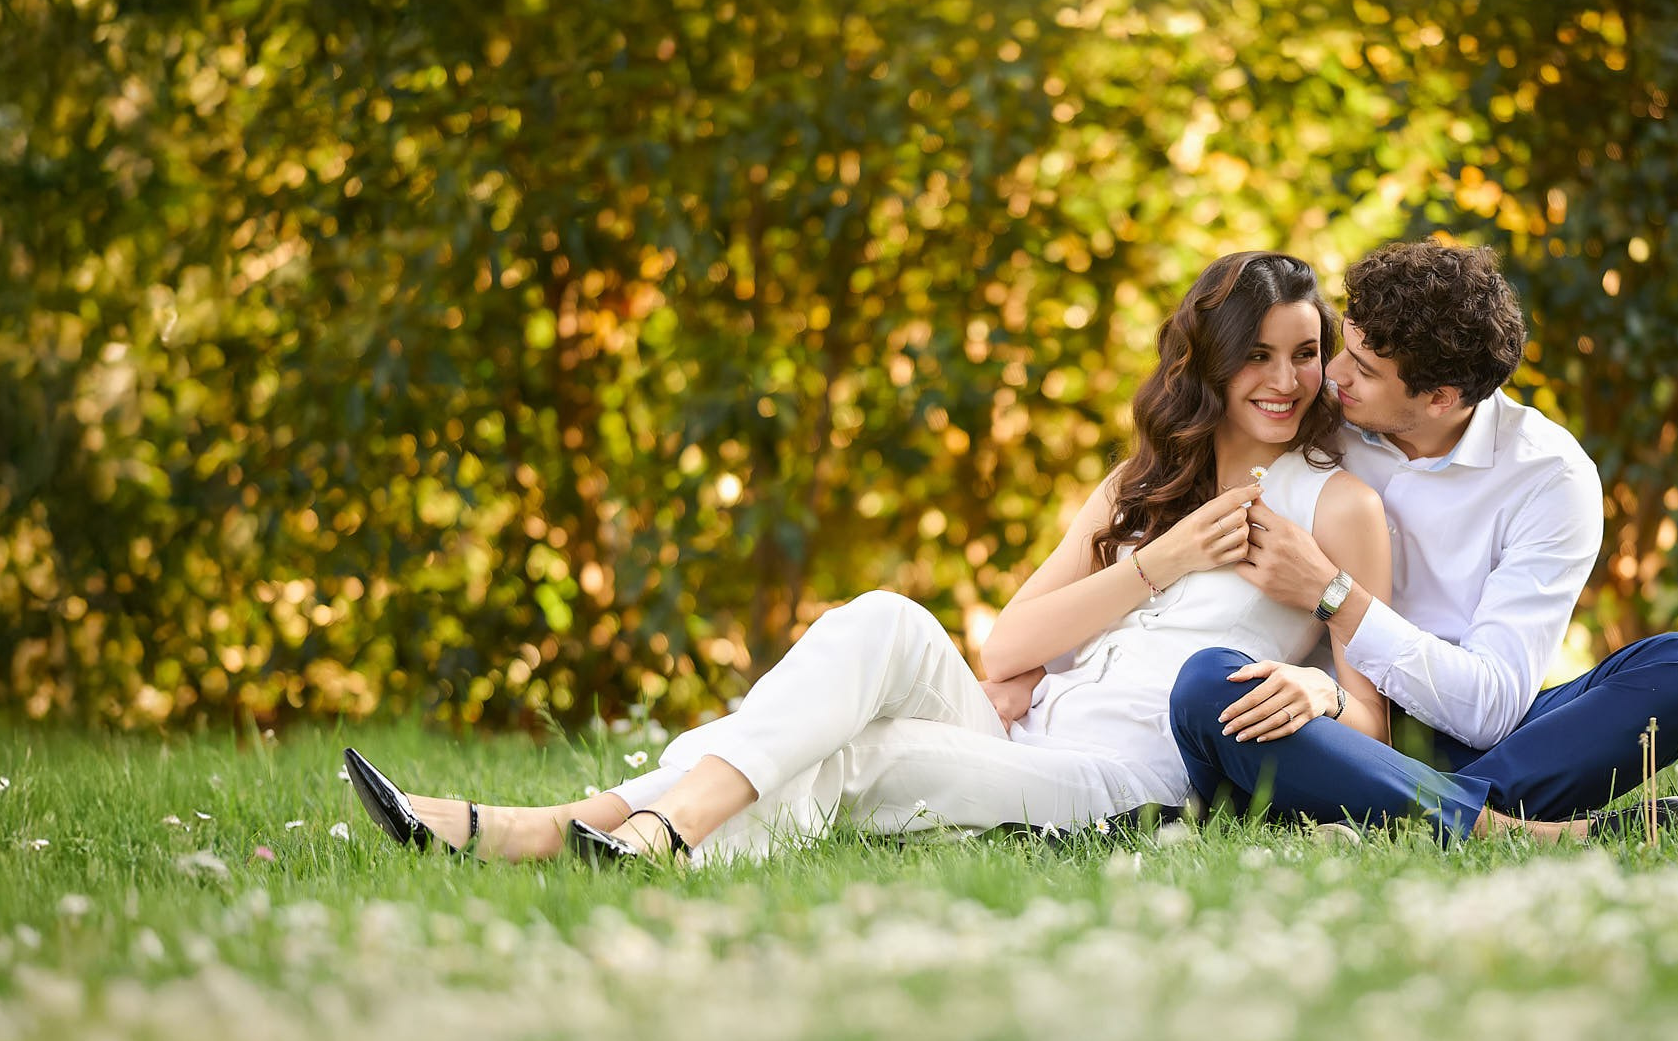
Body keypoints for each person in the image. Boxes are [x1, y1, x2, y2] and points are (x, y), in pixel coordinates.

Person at [344, 251, 1393, 866]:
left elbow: (1367, 719)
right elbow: (1010, 643)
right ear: (1208, 363)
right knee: (885, 618)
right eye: (1256, 353)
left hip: (1121, 782)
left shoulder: (1338, 507)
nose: (1285, 378)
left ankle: (584, 830)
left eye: (1304, 352)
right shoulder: (1139, 485)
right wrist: (1155, 564)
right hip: (1022, 728)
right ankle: (629, 833)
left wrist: (1306, 679)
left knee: (863, 752)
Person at [1170, 239, 1678, 841]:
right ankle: (1514, 830)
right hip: (1325, 724)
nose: (1332, 375)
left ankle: (1381, 812)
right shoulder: (1312, 411)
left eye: (1364, 370)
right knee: (1210, 689)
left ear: (1441, 399)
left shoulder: (1548, 477)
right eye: (1344, 349)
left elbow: (1490, 712)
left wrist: (1334, 596)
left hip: (1464, 733)